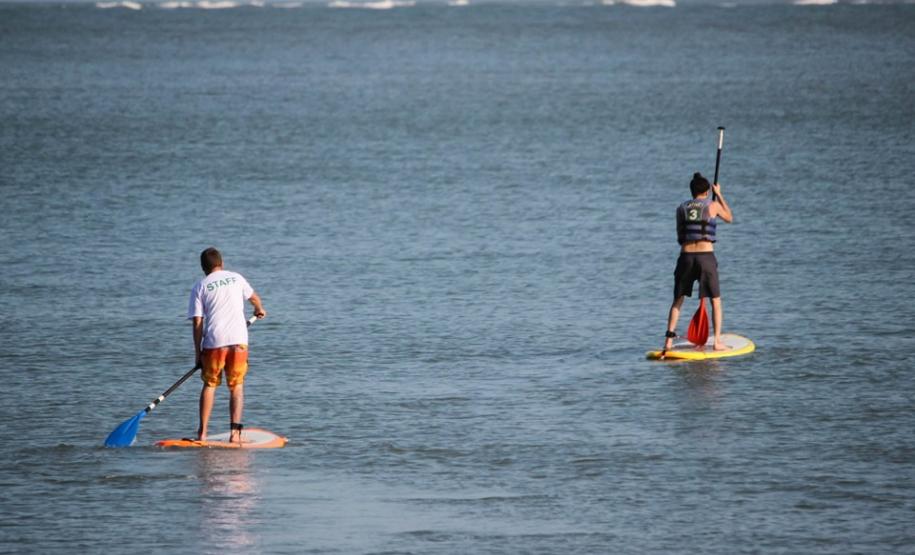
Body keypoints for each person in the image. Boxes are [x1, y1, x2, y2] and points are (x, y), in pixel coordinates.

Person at [187, 247, 266, 443]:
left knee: (210, 385)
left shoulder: (200, 286)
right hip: (239, 340)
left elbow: (198, 323)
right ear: (221, 263)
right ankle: (235, 434)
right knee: (236, 386)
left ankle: (202, 433)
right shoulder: (236, 278)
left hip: (214, 342)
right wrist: (259, 309)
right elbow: (255, 299)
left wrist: (198, 353)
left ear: (203, 268)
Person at [663, 172, 733, 352]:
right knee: (715, 301)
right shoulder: (713, 205)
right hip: (705, 258)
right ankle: (717, 342)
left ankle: (668, 342)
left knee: (677, 300)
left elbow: (680, 232)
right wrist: (720, 195)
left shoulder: (681, 208)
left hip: (685, 257)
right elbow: (729, 218)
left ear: (692, 191)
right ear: (708, 191)